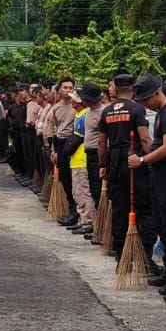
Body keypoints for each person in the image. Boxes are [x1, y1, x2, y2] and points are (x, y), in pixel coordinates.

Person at [98, 73, 153, 262]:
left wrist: (102, 164)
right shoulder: (137, 109)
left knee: (119, 208)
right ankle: (144, 257)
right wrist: (150, 159)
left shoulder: (106, 111)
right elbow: (145, 138)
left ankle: (121, 256)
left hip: (113, 162)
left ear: (116, 89)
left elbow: (101, 141)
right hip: (133, 160)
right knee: (143, 208)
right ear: (134, 89)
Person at [136, 74, 166, 288]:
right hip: (158, 177)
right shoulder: (161, 112)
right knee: (161, 224)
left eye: (147, 100)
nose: (146, 105)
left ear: (157, 93)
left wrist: (143, 159)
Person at [66, 84, 98, 235]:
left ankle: (88, 222)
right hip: (77, 160)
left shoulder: (85, 115)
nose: (71, 102)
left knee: (83, 192)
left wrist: (66, 149)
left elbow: (76, 139)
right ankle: (82, 219)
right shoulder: (81, 114)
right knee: (77, 192)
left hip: (82, 160)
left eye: (74, 100)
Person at [49, 78, 79, 224]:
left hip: (74, 142)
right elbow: (54, 128)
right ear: (59, 89)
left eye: (70, 88)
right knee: (64, 177)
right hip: (60, 143)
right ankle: (70, 206)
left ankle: (77, 211)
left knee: (76, 178)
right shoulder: (56, 107)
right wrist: (53, 150)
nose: (68, 90)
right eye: (65, 87)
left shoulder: (78, 105)